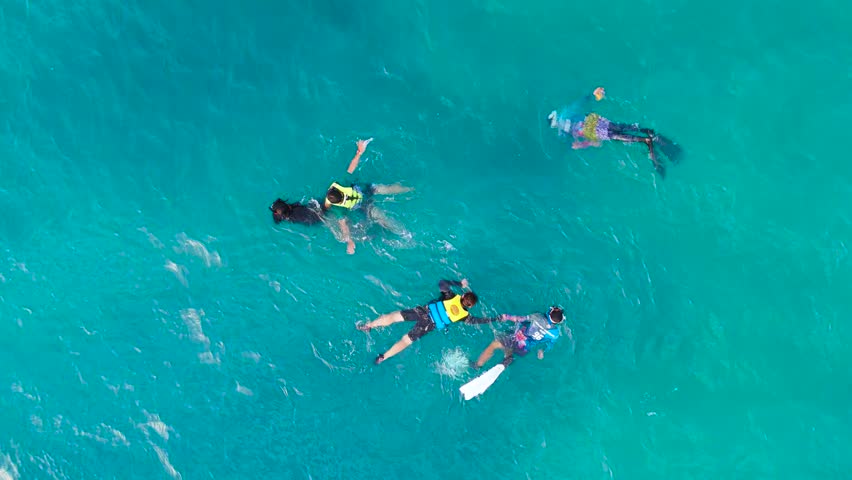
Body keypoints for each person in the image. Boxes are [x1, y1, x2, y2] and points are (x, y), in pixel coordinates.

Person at [270, 138, 411, 254]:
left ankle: (403, 235)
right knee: (385, 189)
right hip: (366, 191)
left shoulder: (338, 210)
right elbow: (351, 167)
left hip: (363, 207)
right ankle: (410, 188)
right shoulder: (341, 183)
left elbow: (343, 226)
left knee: (379, 218)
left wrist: (349, 241)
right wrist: (359, 152)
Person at [548, 88, 683, 178]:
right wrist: (595, 95)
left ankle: (647, 142)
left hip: (588, 129)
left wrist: (585, 144)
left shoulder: (562, 132)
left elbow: (590, 142)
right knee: (620, 127)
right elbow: (581, 101)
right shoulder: (566, 112)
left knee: (617, 136)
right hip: (592, 119)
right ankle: (649, 133)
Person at [357, 279, 498, 365]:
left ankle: (369, 325)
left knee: (394, 317)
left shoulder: (450, 296)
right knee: (406, 341)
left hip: (423, 312)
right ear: (470, 306)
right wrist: (497, 318)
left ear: (462, 295)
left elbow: (442, 283)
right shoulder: (465, 316)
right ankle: (384, 357)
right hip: (429, 325)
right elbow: (480, 321)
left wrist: (460, 283)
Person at [471, 306, 570, 369]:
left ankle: (478, 365)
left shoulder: (538, 316)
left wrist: (507, 317)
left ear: (550, 313)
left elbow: (519, 319)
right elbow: (549, 345)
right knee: (510, 348)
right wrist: (542, 351)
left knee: (494, 345)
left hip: (517, 337)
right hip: (524, 349)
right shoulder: (555, 333)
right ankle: (508, 358)